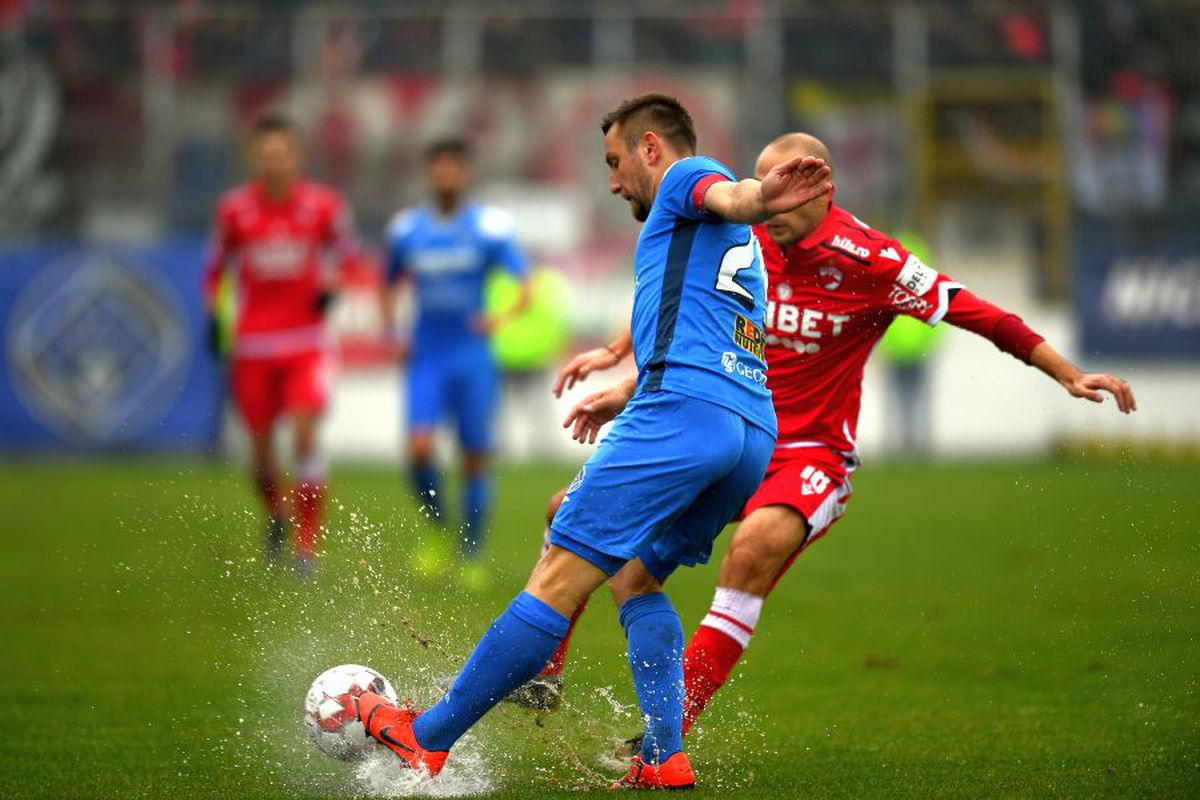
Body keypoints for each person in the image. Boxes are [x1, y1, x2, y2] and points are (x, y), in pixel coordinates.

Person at [535, 132, 1137, 748]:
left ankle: (664, 735)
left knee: (752, 550)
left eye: (783, 191)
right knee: (572, 515)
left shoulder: (872, 260)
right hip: (728, 435)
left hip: (810, 453)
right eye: (763, 188)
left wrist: (1066, 371)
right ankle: (541, 669)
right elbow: (680, 303)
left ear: (820, 189)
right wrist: (619, 359)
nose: (770, 203)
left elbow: (977, 312)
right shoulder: (748, 240)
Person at [348, 94, 833, 788]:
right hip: (748, 429)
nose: (612, 181)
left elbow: (730, 195)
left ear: (652, 150)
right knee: (634, 575)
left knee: (558, 571)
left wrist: (761, 196)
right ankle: (664, 756)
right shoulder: (729, 245)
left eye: (615, 162)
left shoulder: (688, 176)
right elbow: (699, 318)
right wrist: (628, 378)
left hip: (684, 415)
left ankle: (426, 736)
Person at [203, 113, 357, 575]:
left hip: (306, 343)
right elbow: (215, 269)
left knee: (306, 438)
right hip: (252, 346)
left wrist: (333, 285)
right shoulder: (234, 211)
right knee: (261, 454)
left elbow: (348, 258)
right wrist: (215, 313)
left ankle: (306, 546)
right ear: (254, 158)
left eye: (282, 154)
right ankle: (276, 512)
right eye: (266, 155)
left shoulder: (323, 206)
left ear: (297, 157)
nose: (274, 163)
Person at [380, 137, 531, 590]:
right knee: (419, 448)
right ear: (429, 175)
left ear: (465, 175)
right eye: (438, 169)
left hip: (472, 357)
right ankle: (438, 529)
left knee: (473, 458)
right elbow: (385, 283)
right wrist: (392, 332)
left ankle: (472, 553)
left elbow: (523, 283)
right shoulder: (408, 230)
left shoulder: (488, 228)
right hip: (427, 356)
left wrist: (500, 316)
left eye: (453, 169)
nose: (445, 177)